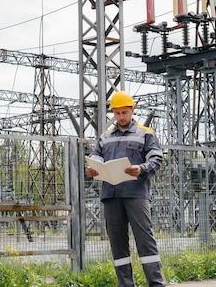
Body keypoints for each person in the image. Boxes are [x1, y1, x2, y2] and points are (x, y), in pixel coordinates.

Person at [85, 91, 166, 287]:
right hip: (111, 195)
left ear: (132, 110)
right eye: (117, 113)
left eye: (124, 112)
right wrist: (93, 169)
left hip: (136, 194)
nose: (121, 117)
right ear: (113, 113)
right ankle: (125, 284)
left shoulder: (145, 133)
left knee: (144, 239)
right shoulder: (105, 137)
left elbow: (156, 159)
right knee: (117, 241)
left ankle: (156, 283)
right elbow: (97, 157)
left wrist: (141, 169)